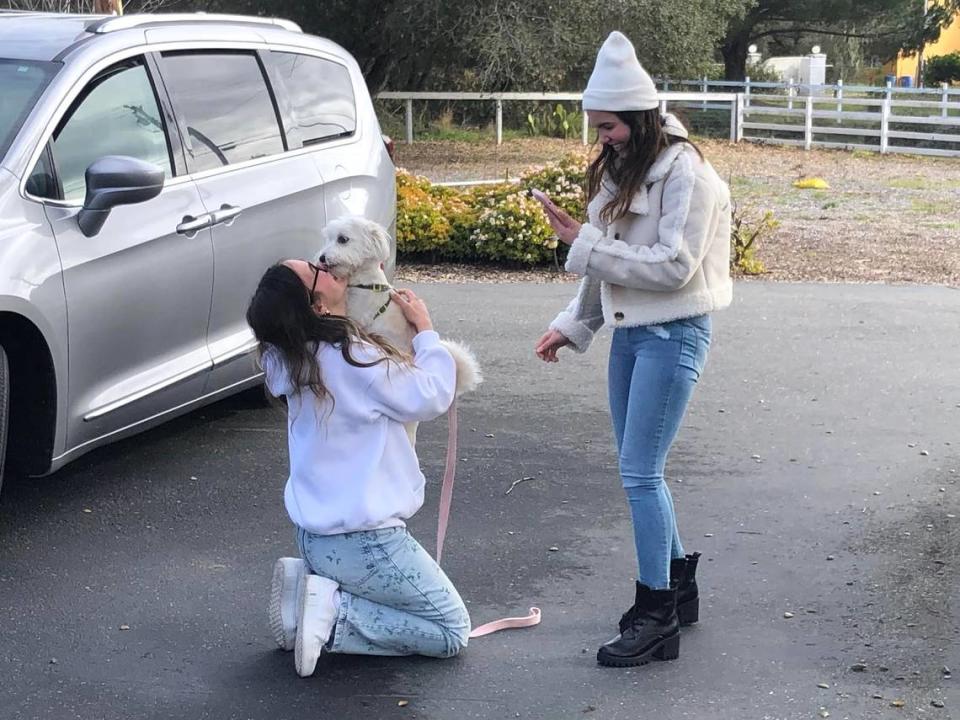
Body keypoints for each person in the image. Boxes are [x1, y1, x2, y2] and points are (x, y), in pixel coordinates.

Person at [533, 31, 732, 667]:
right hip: (631, 332)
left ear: (642, 118)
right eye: (597, 128)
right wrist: (574, 324)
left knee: (640, 473)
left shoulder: (689, 174)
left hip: (674, 331)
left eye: (610, 126)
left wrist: (583, 241)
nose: (602, 139)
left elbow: (674, 267)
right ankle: (679, 586)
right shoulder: (630, 165)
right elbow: (604, 265)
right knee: (640, 468)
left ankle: (657, 616)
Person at [246, 260, 470, 677]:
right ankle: (333, 614)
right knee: (450, 628)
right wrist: (425, 332)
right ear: (315, 304)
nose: (328, 265)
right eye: (319, 270)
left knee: (419, 609)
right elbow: (433, 394)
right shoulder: (355, 359)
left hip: (314, 537)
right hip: (367, 542)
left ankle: (304, 594)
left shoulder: (285, 359)